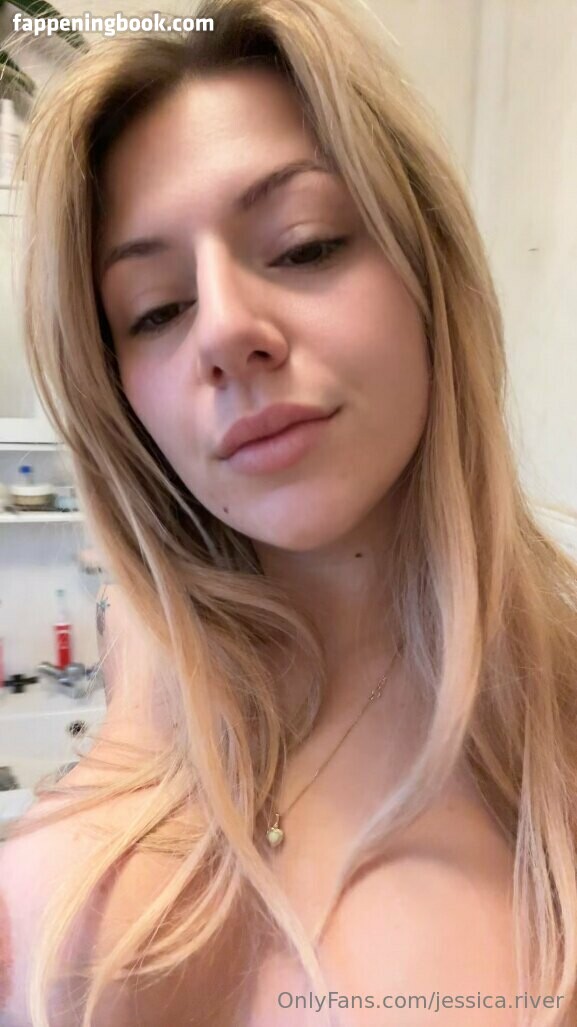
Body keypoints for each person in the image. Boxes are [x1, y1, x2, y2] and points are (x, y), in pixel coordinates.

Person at [1, 0, 576, 1023]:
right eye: (156, 309)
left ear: (427, 269)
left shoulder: (552, 739)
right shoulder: (85, 822)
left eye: (303, 246)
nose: (225, 330)